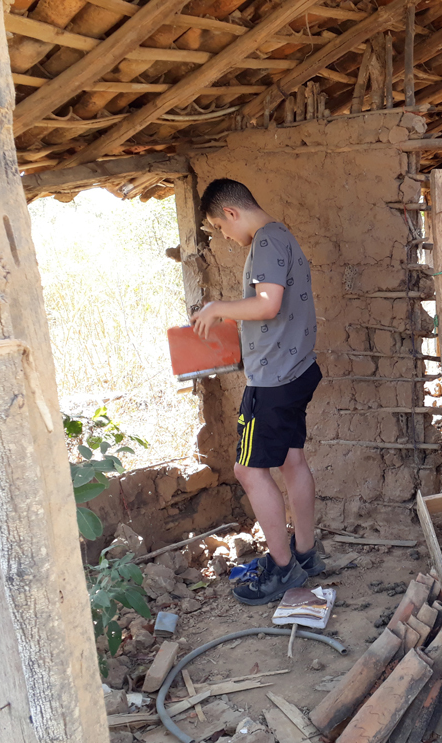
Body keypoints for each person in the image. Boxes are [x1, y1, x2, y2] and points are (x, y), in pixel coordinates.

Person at [191, 178, 324, 605]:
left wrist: (218, 309)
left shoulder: (265, 241)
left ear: (231, 213)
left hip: (273, 380)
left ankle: (284, 570)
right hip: (296, 370)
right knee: (292, 459)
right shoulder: (282, 235)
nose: (225, 237)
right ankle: (306, 554)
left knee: (248, 471)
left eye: (219, 227)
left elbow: (267, 304)